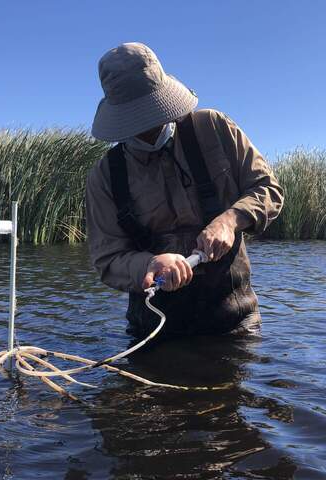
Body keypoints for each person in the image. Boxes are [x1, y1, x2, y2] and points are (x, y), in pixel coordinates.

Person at [85, 42, 283, 338]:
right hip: (154, 327)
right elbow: (108, 259)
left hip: (234, 318)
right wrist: (149, 264)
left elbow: (268, 189)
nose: (148, 125)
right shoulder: (104, 177)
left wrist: (230, 220)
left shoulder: (215, 129)